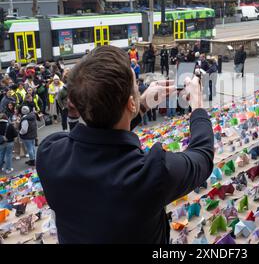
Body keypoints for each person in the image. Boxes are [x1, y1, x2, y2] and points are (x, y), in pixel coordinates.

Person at [37, 45, 214, 244]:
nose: (140, 89)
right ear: (130, 103)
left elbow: (104, 131)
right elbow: (202, 156)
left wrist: (143, 104)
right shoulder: (150, 173)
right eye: (137, 86)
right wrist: (198, 105)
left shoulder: (49, 153)